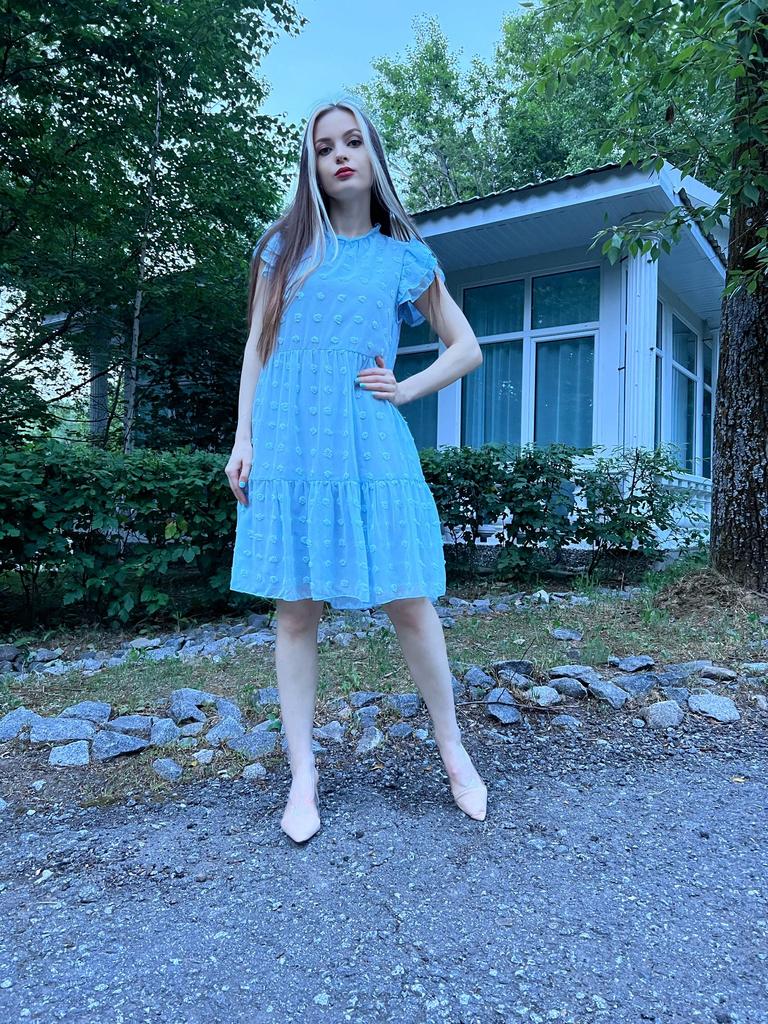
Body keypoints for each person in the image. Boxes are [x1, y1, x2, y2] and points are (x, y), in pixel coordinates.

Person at [224, 95, 487, 843]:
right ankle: (302, 775)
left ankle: (454, 752)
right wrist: (243, 438)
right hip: (292, 442)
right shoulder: (284, 248)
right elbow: (258, 347)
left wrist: (405, 388)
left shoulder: (404, 257)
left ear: (373, 155)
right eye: (324, 147)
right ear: (310, 165)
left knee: (409, 600)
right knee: (295, 611)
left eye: (352, 142)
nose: (339, 155)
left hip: (370, 440)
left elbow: (467, 348)